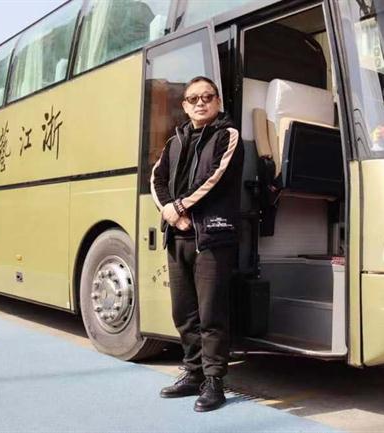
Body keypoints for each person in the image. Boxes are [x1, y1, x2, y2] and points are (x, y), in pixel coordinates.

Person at [150, 76, 244, 412]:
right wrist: (171, 212)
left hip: (212, 237)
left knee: (212, 312)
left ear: (218, 101)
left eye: (207, 97)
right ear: (185, 106)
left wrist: (179, 206)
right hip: (178, 236)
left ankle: (215, 381)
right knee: (184, 312)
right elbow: (157, 179)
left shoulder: (228, 136)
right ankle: (193, 373)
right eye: (193, 99)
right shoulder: (174, 141)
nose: (200, 102)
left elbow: (213, 178)